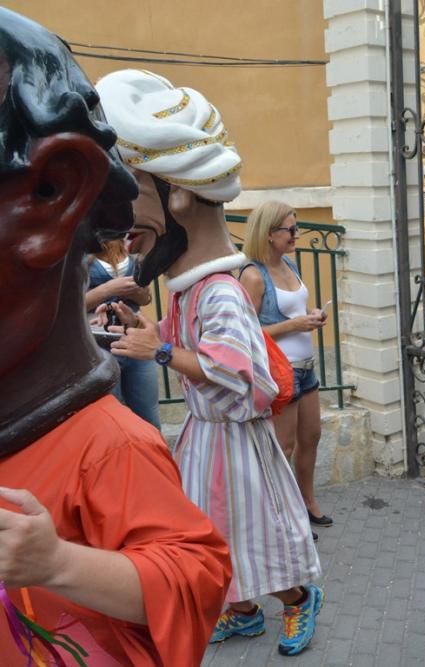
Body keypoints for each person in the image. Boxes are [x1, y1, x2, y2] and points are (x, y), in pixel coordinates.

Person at [0, 10, 231, 665]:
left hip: (221, 439)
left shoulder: (107, 446)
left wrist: (55, 561)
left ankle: (292, 599)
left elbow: (196, 572)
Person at [96, 69, 323, 656]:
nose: (125, 223)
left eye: (133, 191)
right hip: (207, 442)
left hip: (234, 445)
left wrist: (162, 350)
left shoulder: (220, 292)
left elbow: (243, 379)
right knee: (213, 539)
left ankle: (298, 600)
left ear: (180, 194)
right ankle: (241, 611)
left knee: (255, 537)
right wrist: (151, 329)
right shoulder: (191, 290)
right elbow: (185, 340)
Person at [240, 201, 332, 533]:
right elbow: (245, 333)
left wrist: (312, 317)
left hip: (306, 367)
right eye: (289, 230)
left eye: (296, 227)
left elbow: (296, 310)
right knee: (285, 447)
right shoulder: (252, 275)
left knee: (312, 436)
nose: (296, 235)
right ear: (267, 234)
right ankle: (284, 518)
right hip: (281, 371)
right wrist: (294, 326)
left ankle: (307, 502)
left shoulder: (289, 263)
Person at [85, 238, 160, 428]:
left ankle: (154, 456)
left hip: (135, 340)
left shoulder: (132, 251)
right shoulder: (79, 252)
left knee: (148, 414)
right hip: (98, 347)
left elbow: (146, 299)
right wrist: (107, 290)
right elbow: (67, 305)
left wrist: (136, 293)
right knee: (114, 418)